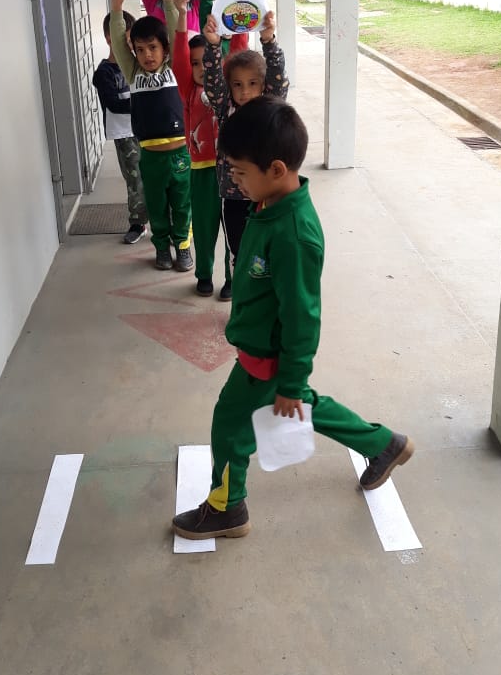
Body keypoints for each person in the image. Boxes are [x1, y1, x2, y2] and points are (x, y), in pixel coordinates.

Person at [172, 100, 415, 540]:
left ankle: (227, 507)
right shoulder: (269, 203)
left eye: (240, 173)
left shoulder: (294, 235)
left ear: (277, 169)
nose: (235, 181)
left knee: (230, 427)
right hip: (262, 351)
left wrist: (290, 379)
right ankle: (383, 444)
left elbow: (302, 318)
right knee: (301, 404)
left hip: (267, 359)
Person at [109, 0, 193, 272]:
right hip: (151, 157)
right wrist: (117, 9)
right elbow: (119, 42)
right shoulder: (133, 73)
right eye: (141, 49)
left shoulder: (174, 69)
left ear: (165, 49)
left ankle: (183, 246)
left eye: (153, 48)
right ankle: (161, 248)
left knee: (182, 205)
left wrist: (168, 1)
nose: (147, 55)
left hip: (181, 154)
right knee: (156, 207)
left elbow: (176, 32)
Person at [172, 0, 248, 301]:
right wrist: (180, 14)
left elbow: (238, 51)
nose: (202, 68)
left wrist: (239, 8)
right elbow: (179, 56)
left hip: (230, 171)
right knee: (203, 227)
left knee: (233, 228)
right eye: (196, 63)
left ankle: (232, 278)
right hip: (202, 171)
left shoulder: (227, 93)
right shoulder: (187, 89)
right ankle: (204, 274)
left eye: (207, 61)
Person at [202, 8, 289, 273]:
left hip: (267, 194)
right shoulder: (225, 109)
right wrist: (213, 45)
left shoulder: (269, 107)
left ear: (263, 85)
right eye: (237, 85)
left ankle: (265, 290)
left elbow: (277, 76)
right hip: (234, 196)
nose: (245, 92)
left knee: (267, 252)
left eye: (252, 83)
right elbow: (213, 82)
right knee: (239, 250)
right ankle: (242, 290)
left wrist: (269, 40)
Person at [92, 11, 148, 245]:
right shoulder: (104, 73)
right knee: (135, 179)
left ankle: (165, 221)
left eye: (131, 40)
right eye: (125, 40)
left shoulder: (139, 66)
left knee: (156, 175)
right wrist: (144, 103)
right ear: (109, 39)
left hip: (147, 129)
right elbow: (114, 104)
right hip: (125, 133)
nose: (130, 46)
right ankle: (138, 222)